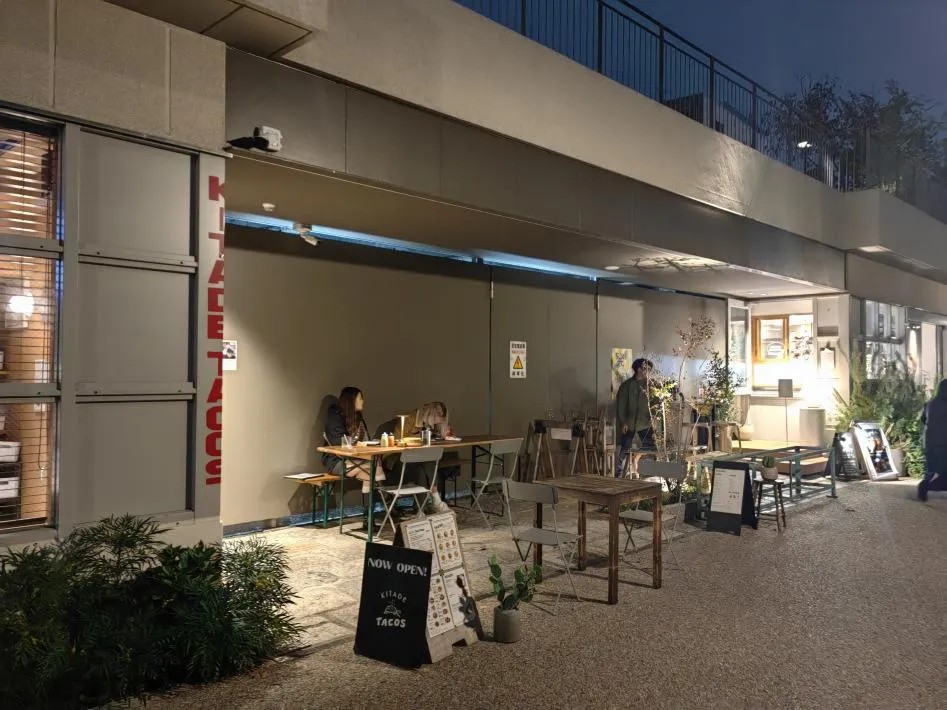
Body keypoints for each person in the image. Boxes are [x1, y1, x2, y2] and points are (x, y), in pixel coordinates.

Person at [322, 387, 385, 493]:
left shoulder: (358, 419)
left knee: (374, 468)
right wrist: (359, 446)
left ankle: (374, 497)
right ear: (351, 400)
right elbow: (339, 443)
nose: (362, 401)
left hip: (356, 459)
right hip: (337, 461)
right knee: (376, 468)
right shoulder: (335, 416)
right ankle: (381, 497)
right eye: (360, 398)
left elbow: (365, 440)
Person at [615, 358, 655, 478]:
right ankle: (619, 473)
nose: (648, 372)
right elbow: (621, 405)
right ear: (639, 369)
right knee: (625, 447)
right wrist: (623, 422)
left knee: (650, 445)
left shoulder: (650, 386)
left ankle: (637, 462)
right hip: (629, 423)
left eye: (650, 369)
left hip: (645, 422)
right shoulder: (626, 386)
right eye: (646, 369)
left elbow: (655, 403)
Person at [918, 379, 947, 501]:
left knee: (933, 469)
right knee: (942, 470)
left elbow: (923, 420)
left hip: (930, 442)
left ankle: (924, 487)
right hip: (944, 443)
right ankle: (926, 486)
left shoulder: (929, 404)